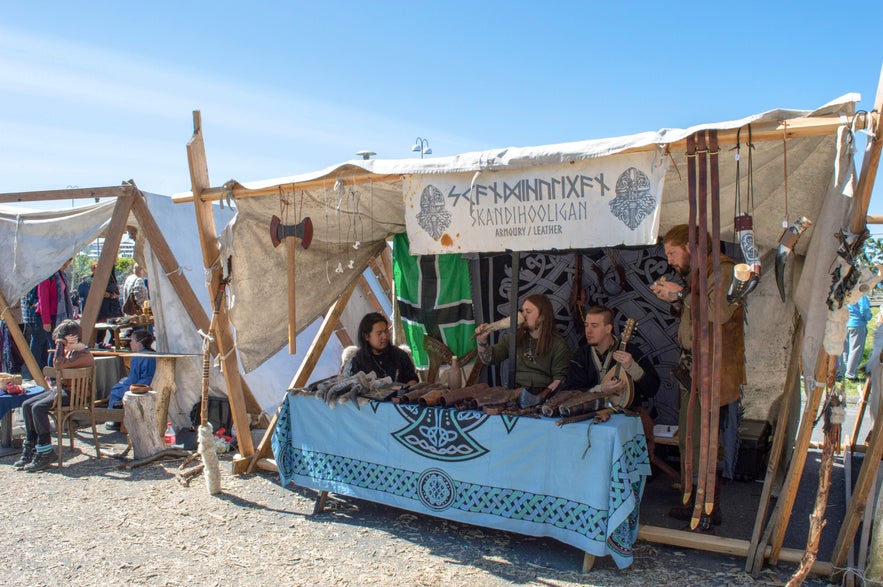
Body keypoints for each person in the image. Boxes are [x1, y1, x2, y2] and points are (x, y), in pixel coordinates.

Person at [650, 224, 746, 531]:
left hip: (713, 370)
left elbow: (718, 313)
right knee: (688, 439)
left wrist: (681, 294)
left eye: (673, 253)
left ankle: (709, 506)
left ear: (691, 247)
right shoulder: (698, 277)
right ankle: (692, 499)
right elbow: (696, 315)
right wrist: (678, 299)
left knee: (705, 441)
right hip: (692, 369)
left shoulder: (724, 272)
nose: (671, 261)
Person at [13, 320, 95, 472]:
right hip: (61, 390)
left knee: (38, 408)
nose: (61, 344)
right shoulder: (72, 352)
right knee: (27, 405)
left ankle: (45, 450)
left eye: (63, 340)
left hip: (75, 395)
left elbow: (58, 364)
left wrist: (60, 344)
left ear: (73, 337)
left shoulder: (83, 355)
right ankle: (31, 445)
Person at [475, 293, 571, 395]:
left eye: (528, 311)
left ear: (542, 316)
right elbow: (489, 359)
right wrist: (482, 341)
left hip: (541, 393)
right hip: (514, 390)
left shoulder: (558, 345)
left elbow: (559, 380)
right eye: (523, 311)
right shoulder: (515, 337)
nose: (523, 315)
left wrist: (541, 398)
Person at [565, 305, 659, 404]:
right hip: (589, 412)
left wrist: (632, 367)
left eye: (594, 326)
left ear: (608, 329)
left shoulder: (631, 352)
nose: (588, 331)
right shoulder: (580, 356)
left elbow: (652, 390)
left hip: (626, 413)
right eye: (586, 325)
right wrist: (600, 389)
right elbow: (571, 393)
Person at [341, 313, 419, 385]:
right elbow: (348, 387)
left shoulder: (400, 355)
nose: (385, 337)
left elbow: (412, 379)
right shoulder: (356, 361)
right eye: (379, 333)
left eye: (386, 331)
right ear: (366, 336)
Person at [104, 330, 156, 431]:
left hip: (141, 386)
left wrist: (124, 382)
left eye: (132, 341)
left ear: (139, 343)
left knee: (116, 389)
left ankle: (114, 419)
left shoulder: (138, 356)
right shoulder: (153, 354)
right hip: (152, 382)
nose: (130, 343)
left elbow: (134, 379)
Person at [840, 295, 872, 381]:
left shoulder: (847, 292)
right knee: (856, 350)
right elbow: (864, 310)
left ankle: (843, 371)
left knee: (845, 350)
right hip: (857, 324)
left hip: (845, 323)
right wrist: (869, 317)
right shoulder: (861, 295)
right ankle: (851, 374)